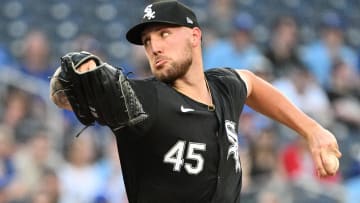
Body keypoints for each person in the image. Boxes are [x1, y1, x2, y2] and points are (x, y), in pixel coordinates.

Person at [50, 1, 341, 202]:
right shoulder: (143, 100)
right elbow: (63, 93)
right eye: (148, 41)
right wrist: (75, 77)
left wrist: (311, 130)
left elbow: (251, 83)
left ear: (194, 36)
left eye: (164, 34)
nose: (155, 47)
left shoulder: (224, 86)